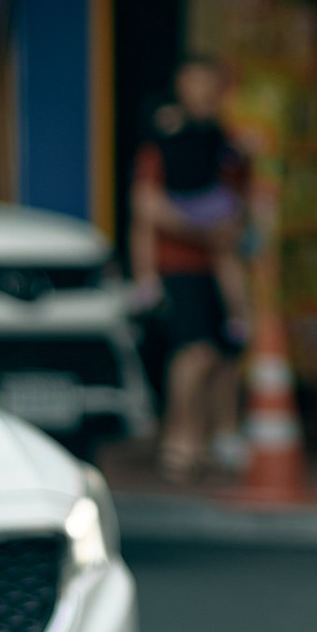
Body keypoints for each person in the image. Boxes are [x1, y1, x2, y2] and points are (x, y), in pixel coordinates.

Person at [128, 57, 251, 477]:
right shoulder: (162, 144)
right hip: (177, 267)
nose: (204, 91)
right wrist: (146, 275)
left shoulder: (225, 144)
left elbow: (240, 204)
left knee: (223, 354)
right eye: (195, 83)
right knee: (194, 353)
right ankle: (179, 440)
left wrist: (232, 230)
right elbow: (146, 209)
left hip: (221, 265)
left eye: (210, 83)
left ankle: (212, 438)